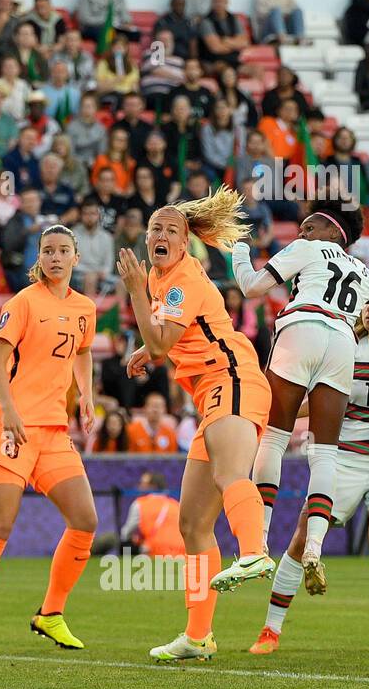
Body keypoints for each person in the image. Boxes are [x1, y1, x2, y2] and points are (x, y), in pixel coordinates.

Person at [231, 200, 369, 595]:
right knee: (325, 452)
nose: (301, 233)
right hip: (341, 342)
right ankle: (315, 548)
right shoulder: (364, 272)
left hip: (301, 326)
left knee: (273, 436)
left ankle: (257, 545)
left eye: (308, 226)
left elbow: (251, 287)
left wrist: (237, 248)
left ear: (330, 230)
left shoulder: (305, 249)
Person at [116, 189, 274, 662]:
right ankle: (198, 635)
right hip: (211, 394)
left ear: (186, 243)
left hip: (232, 379)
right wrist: (150, 342)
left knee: (230, 476)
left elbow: (164, 342)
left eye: (171, 230)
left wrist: (135, 294)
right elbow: (169, 339)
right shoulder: (164, 281)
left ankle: (255, 550)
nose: (162, 235)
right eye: (156, 229)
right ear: (147, 238)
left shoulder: (178, 277)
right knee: (192, 524)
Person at [250, 305, 369, 657]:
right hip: (344, 457)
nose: (367, 309)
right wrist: (276, 408)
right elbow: (319, 403)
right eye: (366, 303)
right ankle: (270, 630)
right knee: (301, 539)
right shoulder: (347, 351)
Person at [0, 223, 98, 655]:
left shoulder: (85, 307)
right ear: (39, 258)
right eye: (48, 250)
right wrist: (10, 409)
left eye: (63, 250)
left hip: (53, 429)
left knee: (85, 520)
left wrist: (86, 395)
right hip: (9, 425)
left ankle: (51, 614)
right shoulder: (22, 303)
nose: (55, 257)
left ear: (76, 257)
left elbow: (83, 352)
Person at [120, 472, 185, 558]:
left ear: (152, 486)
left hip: (155, 551)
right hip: (181, 552)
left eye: (143, 483)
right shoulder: (176, 505)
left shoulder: (140, 504)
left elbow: (125, 534)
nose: (139, 486)